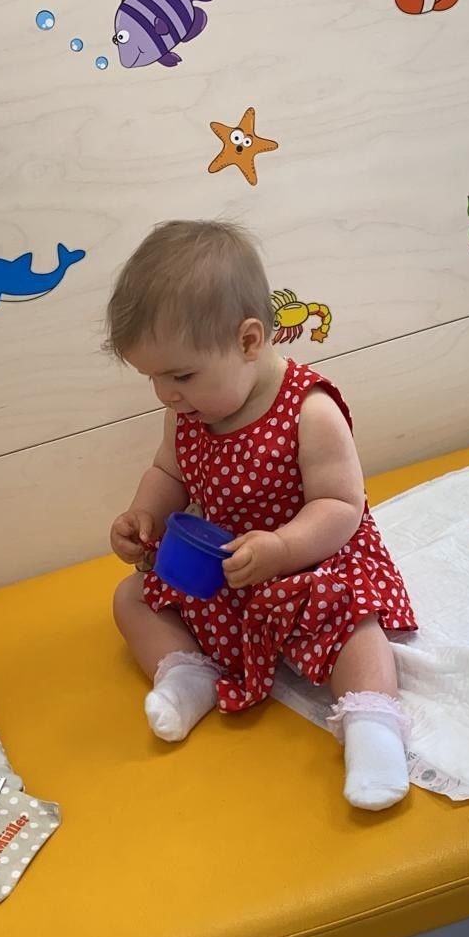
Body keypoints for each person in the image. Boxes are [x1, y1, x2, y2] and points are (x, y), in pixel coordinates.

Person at [106, 220, 417, 810]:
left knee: (353, 621)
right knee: (131, 599)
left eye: (180, 375)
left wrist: (281, 549)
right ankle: (186, 674)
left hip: (311, 563)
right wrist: (143, 515)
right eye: (153, 378)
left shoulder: (309, 408)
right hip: (227, 570)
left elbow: (341, 506)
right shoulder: (187, 410)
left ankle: (374, 727)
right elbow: (169, 473)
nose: (166, 394)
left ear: (249, 341)